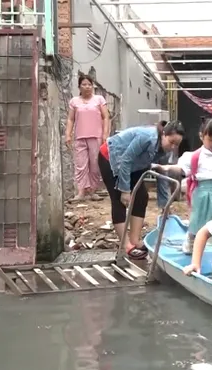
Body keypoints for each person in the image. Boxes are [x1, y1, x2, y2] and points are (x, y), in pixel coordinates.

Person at [98, 120, 185, 260]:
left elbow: (162, 174)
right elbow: (126, 160)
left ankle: (135, 240)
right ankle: (125, 246)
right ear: (164, 134)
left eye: (177, 144)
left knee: (141, 197)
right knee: (119, 198)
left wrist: (165, 205)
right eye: (171, 142)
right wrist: (125, 190)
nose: (173, 146)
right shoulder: (147, 137)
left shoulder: (166, 151)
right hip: (112, 158)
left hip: (136, 165)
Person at [152, 118, 212, 254]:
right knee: (197, 223)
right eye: (211, 139)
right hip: (203, 195)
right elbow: (180, 169)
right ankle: (190, 242)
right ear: (202, 136)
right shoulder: (195, 156)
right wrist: (163, 167)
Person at [65, 74, 110, 202]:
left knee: (95, 165)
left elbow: (105, 117)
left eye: (89, 84)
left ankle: (93, 191)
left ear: (93, 86)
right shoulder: (74, 101)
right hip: (80, 137)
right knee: (80, 165)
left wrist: (105, 134)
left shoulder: (99, 99)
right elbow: (70, 119)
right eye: (84, 84)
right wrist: (68, 134)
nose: (87, 87)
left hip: (96, 137)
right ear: (79, 86)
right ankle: (81, 192)